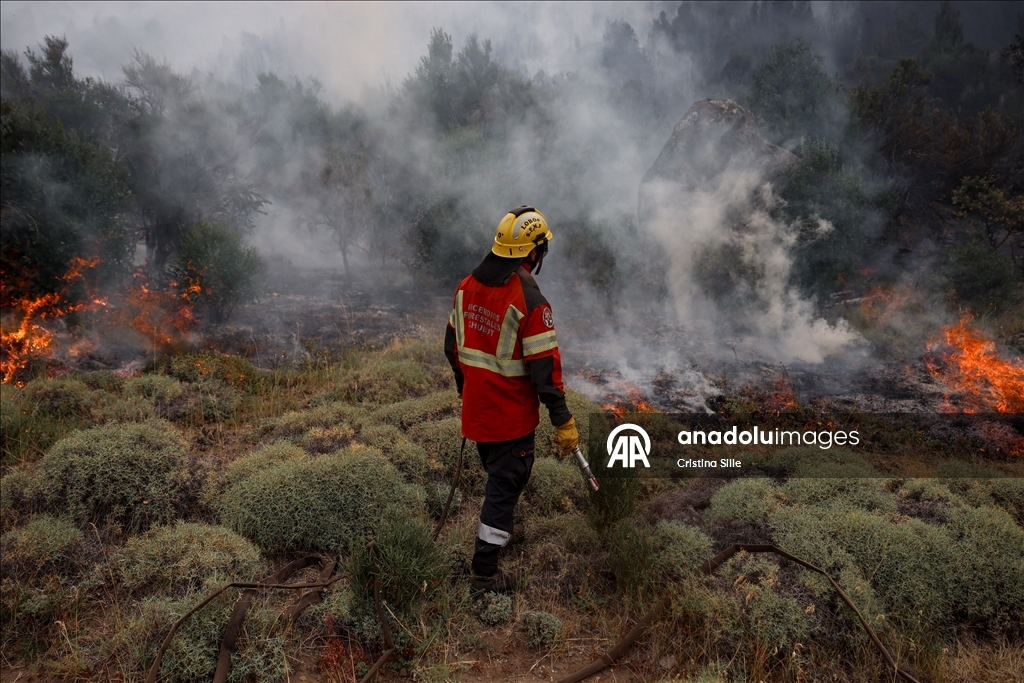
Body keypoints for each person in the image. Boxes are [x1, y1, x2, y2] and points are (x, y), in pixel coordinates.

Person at [444, 206, 579, 592]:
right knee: (502, 492)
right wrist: (563, 420)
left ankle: (499, 534)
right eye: (542, 250)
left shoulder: (466, 285)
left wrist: (466, 388)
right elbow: (545, 373)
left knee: (498, 481)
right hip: (511, 422)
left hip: (478, 417)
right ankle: (484, 574)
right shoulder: (531, 301)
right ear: (533, 251)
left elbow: (451, 347)